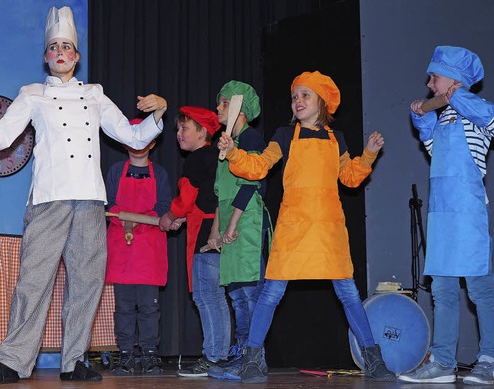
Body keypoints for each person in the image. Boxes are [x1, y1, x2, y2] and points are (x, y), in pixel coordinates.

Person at [0, 6, 167, 385]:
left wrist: (160, 112)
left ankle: (74, 361)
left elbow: (133, 136)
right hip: (48, 200)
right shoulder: (32, 95)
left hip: (90, 201)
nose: (60, 52)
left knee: (87, 283)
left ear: (76, 56)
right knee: (33, 281)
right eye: (54, 47)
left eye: (67, 47)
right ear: (46, 56)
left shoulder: (95, 95)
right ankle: (11, 362)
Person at [218, 71, 396, 384]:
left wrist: (368, 153)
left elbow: (350, 177)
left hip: (328, 230)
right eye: (295, 96)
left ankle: (373, 359)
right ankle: (252, 360)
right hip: (293, 228)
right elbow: (259, 166)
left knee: (349, 294)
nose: (298, 100)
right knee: (270, 294)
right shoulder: (284, 136)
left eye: (305, 95)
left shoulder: (336, 138)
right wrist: (233, 151)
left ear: (321, 102)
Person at [398, 46, 494, 385]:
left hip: (468, 213)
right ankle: (443, 361)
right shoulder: (445, 117)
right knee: (443, 291)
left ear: (454, 78)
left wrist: (457, 98)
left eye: (434, 77)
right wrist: (423, 118)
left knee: (480, 288)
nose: (429, 85)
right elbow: (432, 149)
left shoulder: (476, 114)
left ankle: (491, 360)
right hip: (442, 216)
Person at [158, 106, 230, 377]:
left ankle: (212, 357)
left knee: (206, 297)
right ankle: (219, 356)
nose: (178, 134)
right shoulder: (216, 158)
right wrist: (183, 218)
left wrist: (169, 216)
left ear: (203, 132)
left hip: (205, 238)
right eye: (178, 129)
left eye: (184, 128)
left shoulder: (197, 159)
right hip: (220, 233)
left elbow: (186, 200)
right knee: (216, 298)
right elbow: (205, 201)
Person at [206, 81, 269, 380]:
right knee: (237, 297)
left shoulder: (252, 138)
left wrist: (231, 228)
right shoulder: (225, 142)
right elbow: (221, 195)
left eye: (223, 103)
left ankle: (254, 359)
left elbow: (248, 185)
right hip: (231, 224)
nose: (218, 108)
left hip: (247, 223)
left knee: (251, 296)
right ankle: (241, 354)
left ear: (239, 109)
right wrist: (215, 234)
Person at [104, 118, 172, 376]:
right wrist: (125, 218)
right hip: (121, 249)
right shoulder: (115, 171)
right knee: (123, 307)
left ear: (152, 143)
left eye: (144, 140)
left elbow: (164, 207)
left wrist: (141, 222)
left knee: (148, 307)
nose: (138, 145)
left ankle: (150, 355)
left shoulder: (161, 174)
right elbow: (109, 203)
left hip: (149, 249)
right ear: (125, 142)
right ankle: (125, 354)